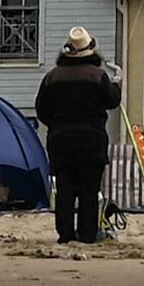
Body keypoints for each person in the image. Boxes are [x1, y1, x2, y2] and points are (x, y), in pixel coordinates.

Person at [37, 28, 122, 244]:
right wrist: (117, 84)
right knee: (89, 191)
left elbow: (41, 111)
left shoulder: (52, 77)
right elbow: (113, 101)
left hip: (60, 140)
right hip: (92, 140)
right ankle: (87, 235)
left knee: (65, 190)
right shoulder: (98, 76)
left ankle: (65, 235)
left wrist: (58, 125)